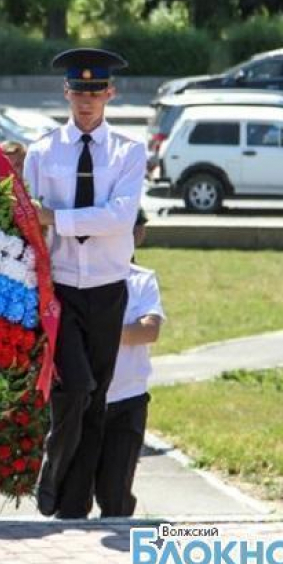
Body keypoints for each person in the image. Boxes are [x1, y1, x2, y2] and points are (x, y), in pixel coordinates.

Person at [24, 48, 146, 519]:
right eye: (79, 90)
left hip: (108, 286)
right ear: (66, 92)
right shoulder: (43, 150)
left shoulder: (129, 151)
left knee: (95, 400)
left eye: (96, 91)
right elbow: (27, 218)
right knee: (74, 387)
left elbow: (119, 217)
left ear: (110, 93)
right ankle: (52, 472)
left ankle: (73, 505)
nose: (87, 100)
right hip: (60, 289)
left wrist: (55, 216)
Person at [94, 210, 164, 517]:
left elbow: (149, 330)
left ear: (139, 234)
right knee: (75, 495)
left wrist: (100, 332)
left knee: (115, 493)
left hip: (127, 402)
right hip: (87, 402)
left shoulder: (143, 280)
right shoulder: (82, 279)